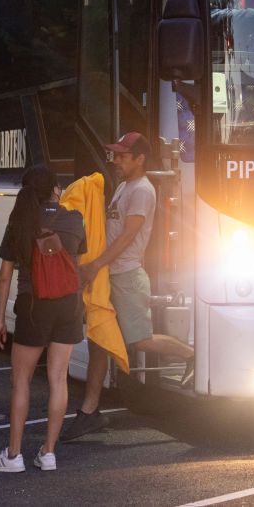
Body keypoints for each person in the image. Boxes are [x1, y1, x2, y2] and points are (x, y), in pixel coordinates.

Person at [61, 133, 195, 441]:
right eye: (116, 155)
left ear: (140, 159)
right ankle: (89, 412)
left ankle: (190, 355)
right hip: (112, 273)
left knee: (140, 342)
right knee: (99, 340)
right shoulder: (123, 187)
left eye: (123, 156)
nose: (116, 161)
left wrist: (95, 265)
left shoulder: (143, 191)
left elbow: (127, 238)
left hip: (127, 276)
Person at [0, 166, 85, 473]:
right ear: (56, 189)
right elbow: (77, 264)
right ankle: (49, 453)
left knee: (21, 381)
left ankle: (14, 456)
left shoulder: (21, 222)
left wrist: (0, 319)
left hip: (33, 305)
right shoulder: (74, 219)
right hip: (69, 305)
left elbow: (4, 277)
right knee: (58, 378)